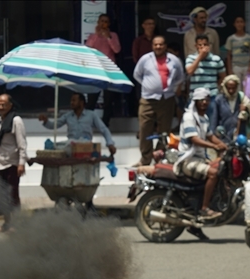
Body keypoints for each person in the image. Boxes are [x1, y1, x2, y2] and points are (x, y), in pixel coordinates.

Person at [175, 87, 227, 225]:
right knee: (213, 173)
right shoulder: (189, 117)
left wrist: (225, 146)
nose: (204, 102)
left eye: (207, 100)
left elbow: (210, 136)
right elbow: (194, 139)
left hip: (200, 159)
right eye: (201, 100)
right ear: (196, 102)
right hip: (188, 160)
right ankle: (204, 208)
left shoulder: (204, 118)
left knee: (221, 168)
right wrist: (214, 147)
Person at [133, 35, 185, 165]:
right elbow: (137, 75)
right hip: (148, 99)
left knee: (164, 130)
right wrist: (148, 85)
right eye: (155, 44)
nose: (158, 47)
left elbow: (180, 76)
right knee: (145, 128)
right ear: (152, 46)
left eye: (161, 44)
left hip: (167, 99)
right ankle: (145, 159)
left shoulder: (174, 60)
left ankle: (159, 156)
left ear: (165, 46)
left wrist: (171, 88)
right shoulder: (145, 59)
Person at [0, 93, 27, 233]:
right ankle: (6, 223)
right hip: (0, 163)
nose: (1, 107)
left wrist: (21, 163)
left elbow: (22, 143)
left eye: (3, 104)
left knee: (12, 195)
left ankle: (15, 224)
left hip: (12, 163)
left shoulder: (16, 120)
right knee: (1, 195)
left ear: (10, 105)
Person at [38, 93, 116, 154]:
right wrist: (46, 121)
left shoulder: (91, 115)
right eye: (71, 100)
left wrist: (110, 143)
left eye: (74, 100)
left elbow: (104, 129)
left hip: (85, 148)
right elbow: (54, 125)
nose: (71, 103)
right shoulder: (68, 115)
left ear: (81, 103)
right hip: (71, 148)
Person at [85, 14, 122, 126]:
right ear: (98, 22)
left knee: (108, 100)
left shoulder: (113, 35)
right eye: (102, 21)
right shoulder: (92, 35)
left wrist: (108, 37)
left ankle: (105, 123)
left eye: (106, 21)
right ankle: (87, 123)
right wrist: (97, 35)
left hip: (109, 71)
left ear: (109, 24)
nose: (103, 23)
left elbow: (117, 50)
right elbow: (88, 48)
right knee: (91, 99)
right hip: (95, 71)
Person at [185, 33, 224, 124]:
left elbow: (223, 77)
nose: (203, 47)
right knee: (194, 122)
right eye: (200, 45)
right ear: (196, 46)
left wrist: (214, 87)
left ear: (209, 45)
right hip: (195, 96)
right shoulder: (191, 58)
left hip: (212, 96)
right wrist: (200, 57)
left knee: (211, 122)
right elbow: (189, 71)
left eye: (205, 44)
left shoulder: (216, 59)